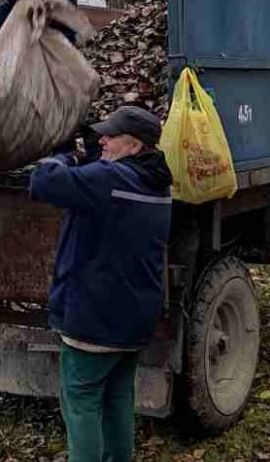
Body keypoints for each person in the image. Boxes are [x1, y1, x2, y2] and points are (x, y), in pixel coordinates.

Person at [28, 106, 173, 462]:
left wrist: (63, 155)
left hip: (94, 319)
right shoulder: (157, 183)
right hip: (133, 320)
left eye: (111, 136)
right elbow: (102, 181)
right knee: (118, 399)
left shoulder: (110, 181)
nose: (104, 140)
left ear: (135, 146)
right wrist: (93, 147)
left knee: (81, 403)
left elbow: (42, 182)